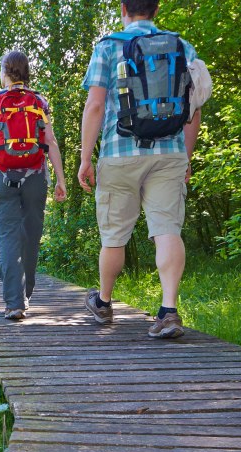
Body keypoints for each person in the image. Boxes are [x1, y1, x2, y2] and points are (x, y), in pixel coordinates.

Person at [78, 0, 201, 338]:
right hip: (169, 152)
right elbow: (193, 109)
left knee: (114, 235)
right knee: (167, 229)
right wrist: (186, 156)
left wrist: (86, 158)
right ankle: (169, 310)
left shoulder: (108, 46)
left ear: (123, 8)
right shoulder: (181, 46)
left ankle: (103, 303)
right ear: (156, 9)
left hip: (120, 153)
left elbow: (96, 105)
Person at [0, 50, 68, 321]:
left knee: (9, 240)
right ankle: (24, 292)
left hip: (2, 178)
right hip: (35, 179)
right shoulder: (39, 101)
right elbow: (51, 142)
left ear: (5, 72)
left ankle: (15, 303)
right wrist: (60, 179)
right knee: (31, 238)